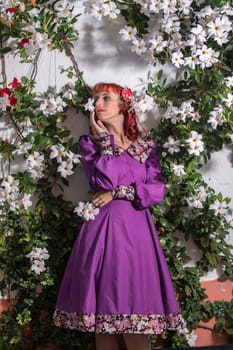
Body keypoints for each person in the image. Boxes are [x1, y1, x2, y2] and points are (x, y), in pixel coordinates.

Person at [53, 82, 186, 350]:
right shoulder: (90, 145)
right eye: (95, 99)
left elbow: (156, 190)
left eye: (106, 97)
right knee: (104, 318)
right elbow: (105, 179)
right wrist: (105, 141)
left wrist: (118, 193)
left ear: (125, 105)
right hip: (103, 232)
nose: (98, 103)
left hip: (137, 232)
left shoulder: (146, 146)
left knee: (137, 309)